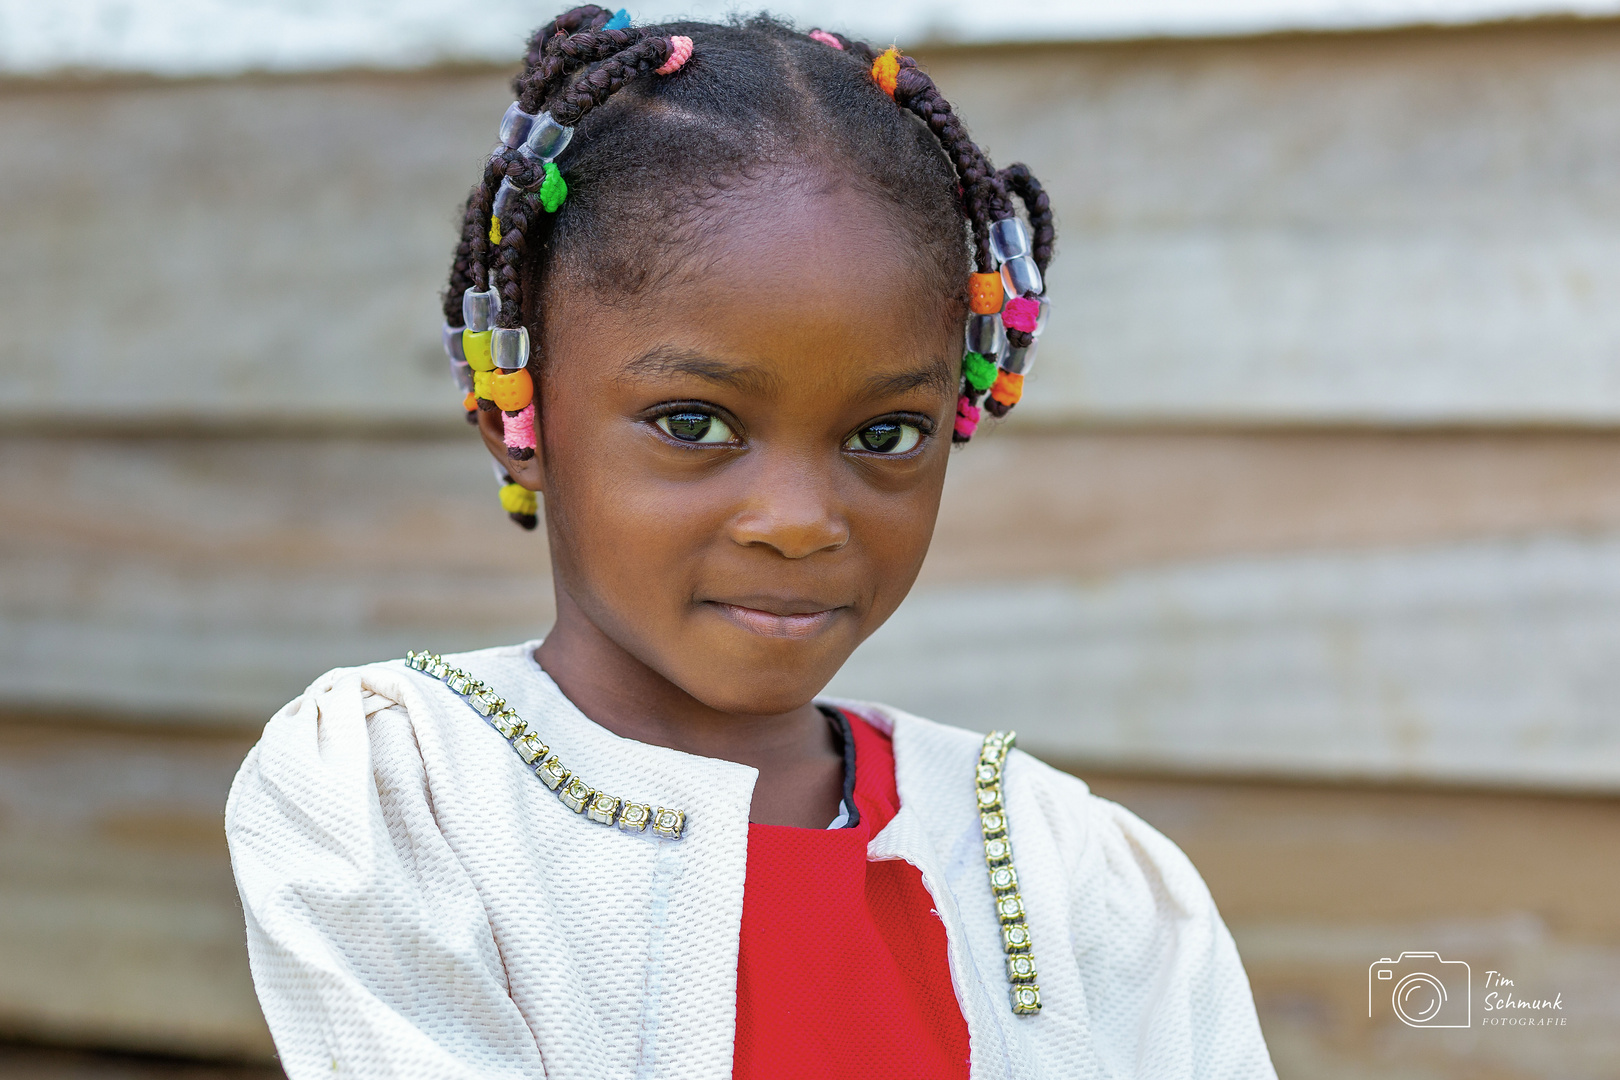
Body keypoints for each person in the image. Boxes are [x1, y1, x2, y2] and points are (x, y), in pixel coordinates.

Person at [225, 8, 1276, 1079]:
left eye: (884, 435)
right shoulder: (403, 799)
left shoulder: (1075, 875)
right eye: (694, 423)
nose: (799, 521)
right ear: (516, 414)